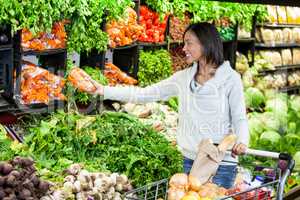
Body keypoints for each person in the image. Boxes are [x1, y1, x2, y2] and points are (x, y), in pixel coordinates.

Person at [92, 22, 249, 189]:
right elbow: (145, 94)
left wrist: (243, 141)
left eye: (189, 42)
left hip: (221, 165)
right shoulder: (183, 78)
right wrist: (104, 90)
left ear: (205, 43)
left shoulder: (230, 79)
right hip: (189, 160)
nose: (183, 48)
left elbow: (240, 117)